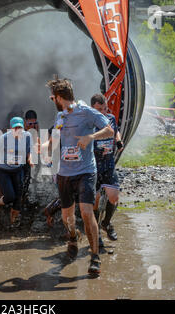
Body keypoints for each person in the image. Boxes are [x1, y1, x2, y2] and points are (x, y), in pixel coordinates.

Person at [41, 77, 114, 274]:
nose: (52, 101)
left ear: (58, 97)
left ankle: (95, 257)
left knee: (86, 212)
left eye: (52, 98)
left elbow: (109, 130)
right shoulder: (60, 117)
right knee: (67, 217)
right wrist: (43, 147)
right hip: (65, 172)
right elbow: (55, 140)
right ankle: (73, 236)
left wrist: (91, 136)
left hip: (86, 171)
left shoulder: (87, 112)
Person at [91, 94, 123, 248]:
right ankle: (96, 234)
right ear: (93, 108)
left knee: (114, 197)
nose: (103, 112)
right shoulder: (88, 121)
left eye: (105, 108)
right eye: (99, 109)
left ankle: (107, 223)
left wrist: (118, 140)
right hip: (94, 164)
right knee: (95, 201)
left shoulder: (110, 118)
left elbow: (115, 130)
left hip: (108, 163)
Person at [0, 117, 32, 225]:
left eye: (19, 128)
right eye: (15, 128)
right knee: (10, 196)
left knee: (18, 198)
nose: (18, 130)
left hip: (18, 170)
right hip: (4, 171)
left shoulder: (27, 136)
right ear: (11, 128)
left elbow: (29, 150)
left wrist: (30, 159)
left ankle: (13, 222)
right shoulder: (4, 138)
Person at [22, 109, 40, 204]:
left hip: (29, 152)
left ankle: (24, 195)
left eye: (34, 122)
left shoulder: (36, 126)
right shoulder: (20, 127)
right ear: (25, 121)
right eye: (30, 123)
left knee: (27, 175)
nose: (32, 125)